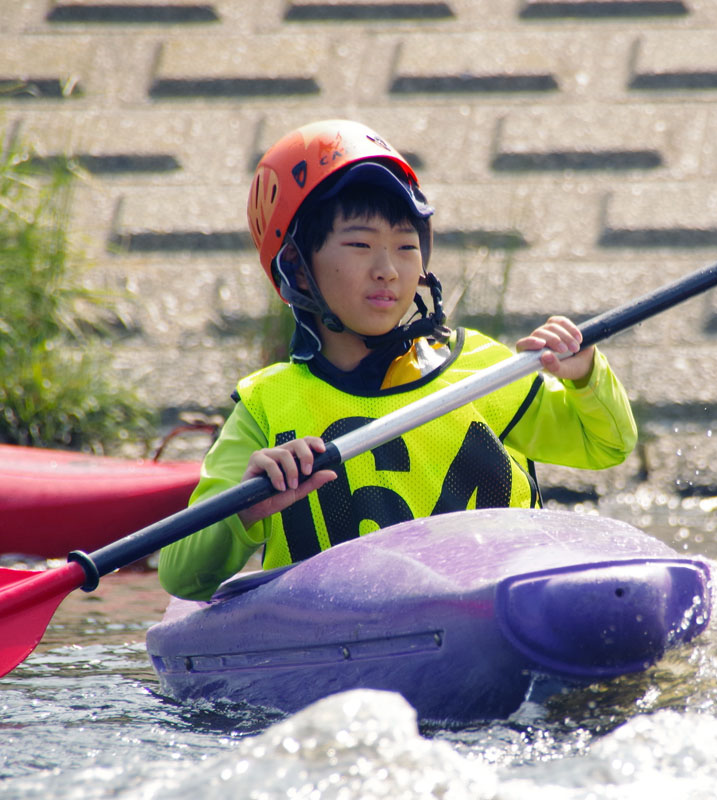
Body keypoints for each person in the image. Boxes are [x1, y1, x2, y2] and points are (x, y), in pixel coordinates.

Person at [158, 119, 637, 600]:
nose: (387, 270)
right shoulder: (266, 406)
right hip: (344, 640)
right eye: (360, 245)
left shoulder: (484, 369)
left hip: (500, 613)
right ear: (298, 270)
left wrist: (585, 376)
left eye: (406, 247)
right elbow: (181, 576)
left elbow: (607, 446)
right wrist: (247, 508)